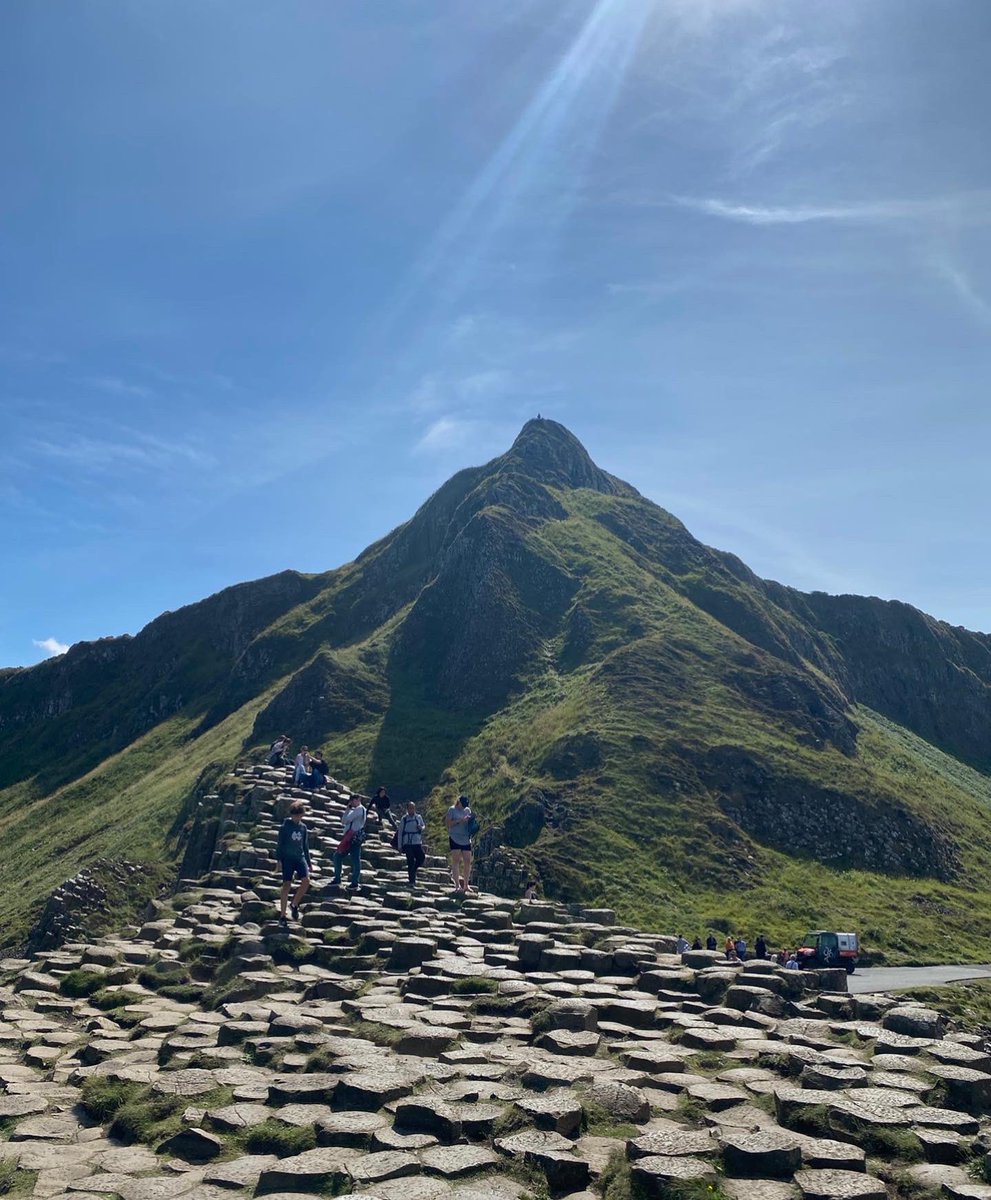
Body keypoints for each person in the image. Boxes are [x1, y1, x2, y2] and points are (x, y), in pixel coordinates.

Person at [277, 800, 312, 923]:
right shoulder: (285, 827)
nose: (297, 818)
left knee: (306, 881)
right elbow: (280, 844)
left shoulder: (303, 827)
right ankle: (282, 914)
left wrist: (309, 861)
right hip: (287, 859)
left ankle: (294, 904)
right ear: (291, 815)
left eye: (299, 815)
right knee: (287, 884)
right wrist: (279, 860)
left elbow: (305, 845)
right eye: (295, 815)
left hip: (300, 857)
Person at [333, 793, 367, 890]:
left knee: (355, 859)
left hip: (354, 838)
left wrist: (348, 811)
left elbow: (347, 820)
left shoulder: (360, 809)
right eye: (352, 801)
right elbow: (343, 821)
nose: (353, 802)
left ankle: (354, 882)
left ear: (358, 800)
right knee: (337, 856)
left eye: (355, 800)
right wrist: (347, 809)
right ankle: (338, 878)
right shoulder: (354, 810)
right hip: (349, 838)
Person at [446, 795, 475, 894]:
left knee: (467, 860)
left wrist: (471, 820)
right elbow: (448, 823)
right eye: (463, 805)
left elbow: (470, 823)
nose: (464, 807)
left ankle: (466, 885)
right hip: (455, 837)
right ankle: (457, 885)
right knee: (456, 860)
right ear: (459, 802)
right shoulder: (452, 810)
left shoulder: (468, 810)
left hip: (466, 838)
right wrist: (460, 820)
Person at [398, 801, 426, 887]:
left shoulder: (418, 817)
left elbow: (423, 826)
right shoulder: (404, 819)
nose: (412, 810)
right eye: (410, 808)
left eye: (413, 808)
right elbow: (400, 832)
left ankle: (413, 870)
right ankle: (412, 881)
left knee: (421, 857)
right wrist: (400, 845)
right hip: (407, 843)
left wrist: (421, 828)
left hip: (417, 842)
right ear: (407, 809)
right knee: (410, 860)